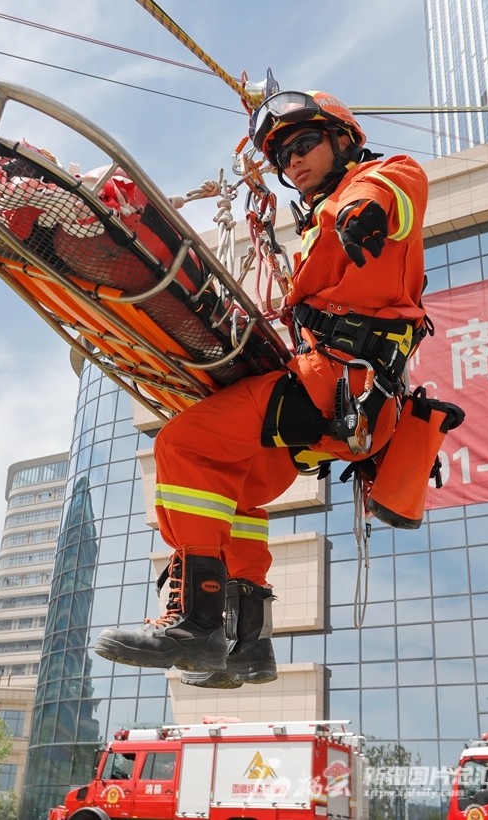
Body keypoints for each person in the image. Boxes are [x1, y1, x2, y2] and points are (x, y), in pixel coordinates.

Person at [94, 89, 433, 689]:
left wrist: (365, 211)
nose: (293, 163)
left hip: (338, 389)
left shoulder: (379, 181)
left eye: (304, 145)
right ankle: (249, 645)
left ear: (343, 139)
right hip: (346, 409)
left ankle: (197, 623)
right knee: (243, 491)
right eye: (284, 158)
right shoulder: (319, 228)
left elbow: (397, 188)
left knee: (183, 446)